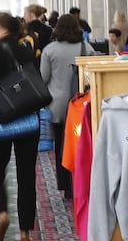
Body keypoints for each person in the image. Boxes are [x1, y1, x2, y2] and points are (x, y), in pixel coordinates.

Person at [0, 12, 41, 241]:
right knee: (26, 175)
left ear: (3, 28)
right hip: (28, 119)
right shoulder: (25, 50)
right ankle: (25, 232)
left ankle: (3, 213)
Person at [40, 15, 93, 199]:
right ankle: (81, 181)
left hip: (57, 106)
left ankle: (65, 185)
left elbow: (43, 78)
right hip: (82, 105)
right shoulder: (86, 48)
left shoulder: (49, 50)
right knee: (82, 144)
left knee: (61, 145)